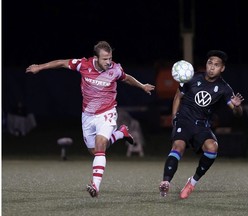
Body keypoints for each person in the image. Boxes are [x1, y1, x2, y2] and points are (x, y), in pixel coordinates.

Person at [26, 41, 155, 198]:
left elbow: (126, 78)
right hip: (87, 115)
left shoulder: (115, 69)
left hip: (107, 112)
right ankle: (121, 133)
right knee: (94, 151)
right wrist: (39, 67)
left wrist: (142, 86)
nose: (109, 62)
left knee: (100, 145)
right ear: (96, 58)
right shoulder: (83, 64)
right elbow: (61, 63)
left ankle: (95, 185)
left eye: (110, 58)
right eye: (105, 59)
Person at [159, 50, 244, 199]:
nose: (212, 67)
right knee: (178, 146)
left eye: (216, 65)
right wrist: (174, 117)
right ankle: (166, 181)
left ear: (222, 68)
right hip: (184, 120)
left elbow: (237, 113)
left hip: (202, 126)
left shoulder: (224, 88)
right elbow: (178, 96)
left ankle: (192, 182)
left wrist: (237, 106)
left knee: (213, 148)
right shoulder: (192, 78)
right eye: (210, 63)